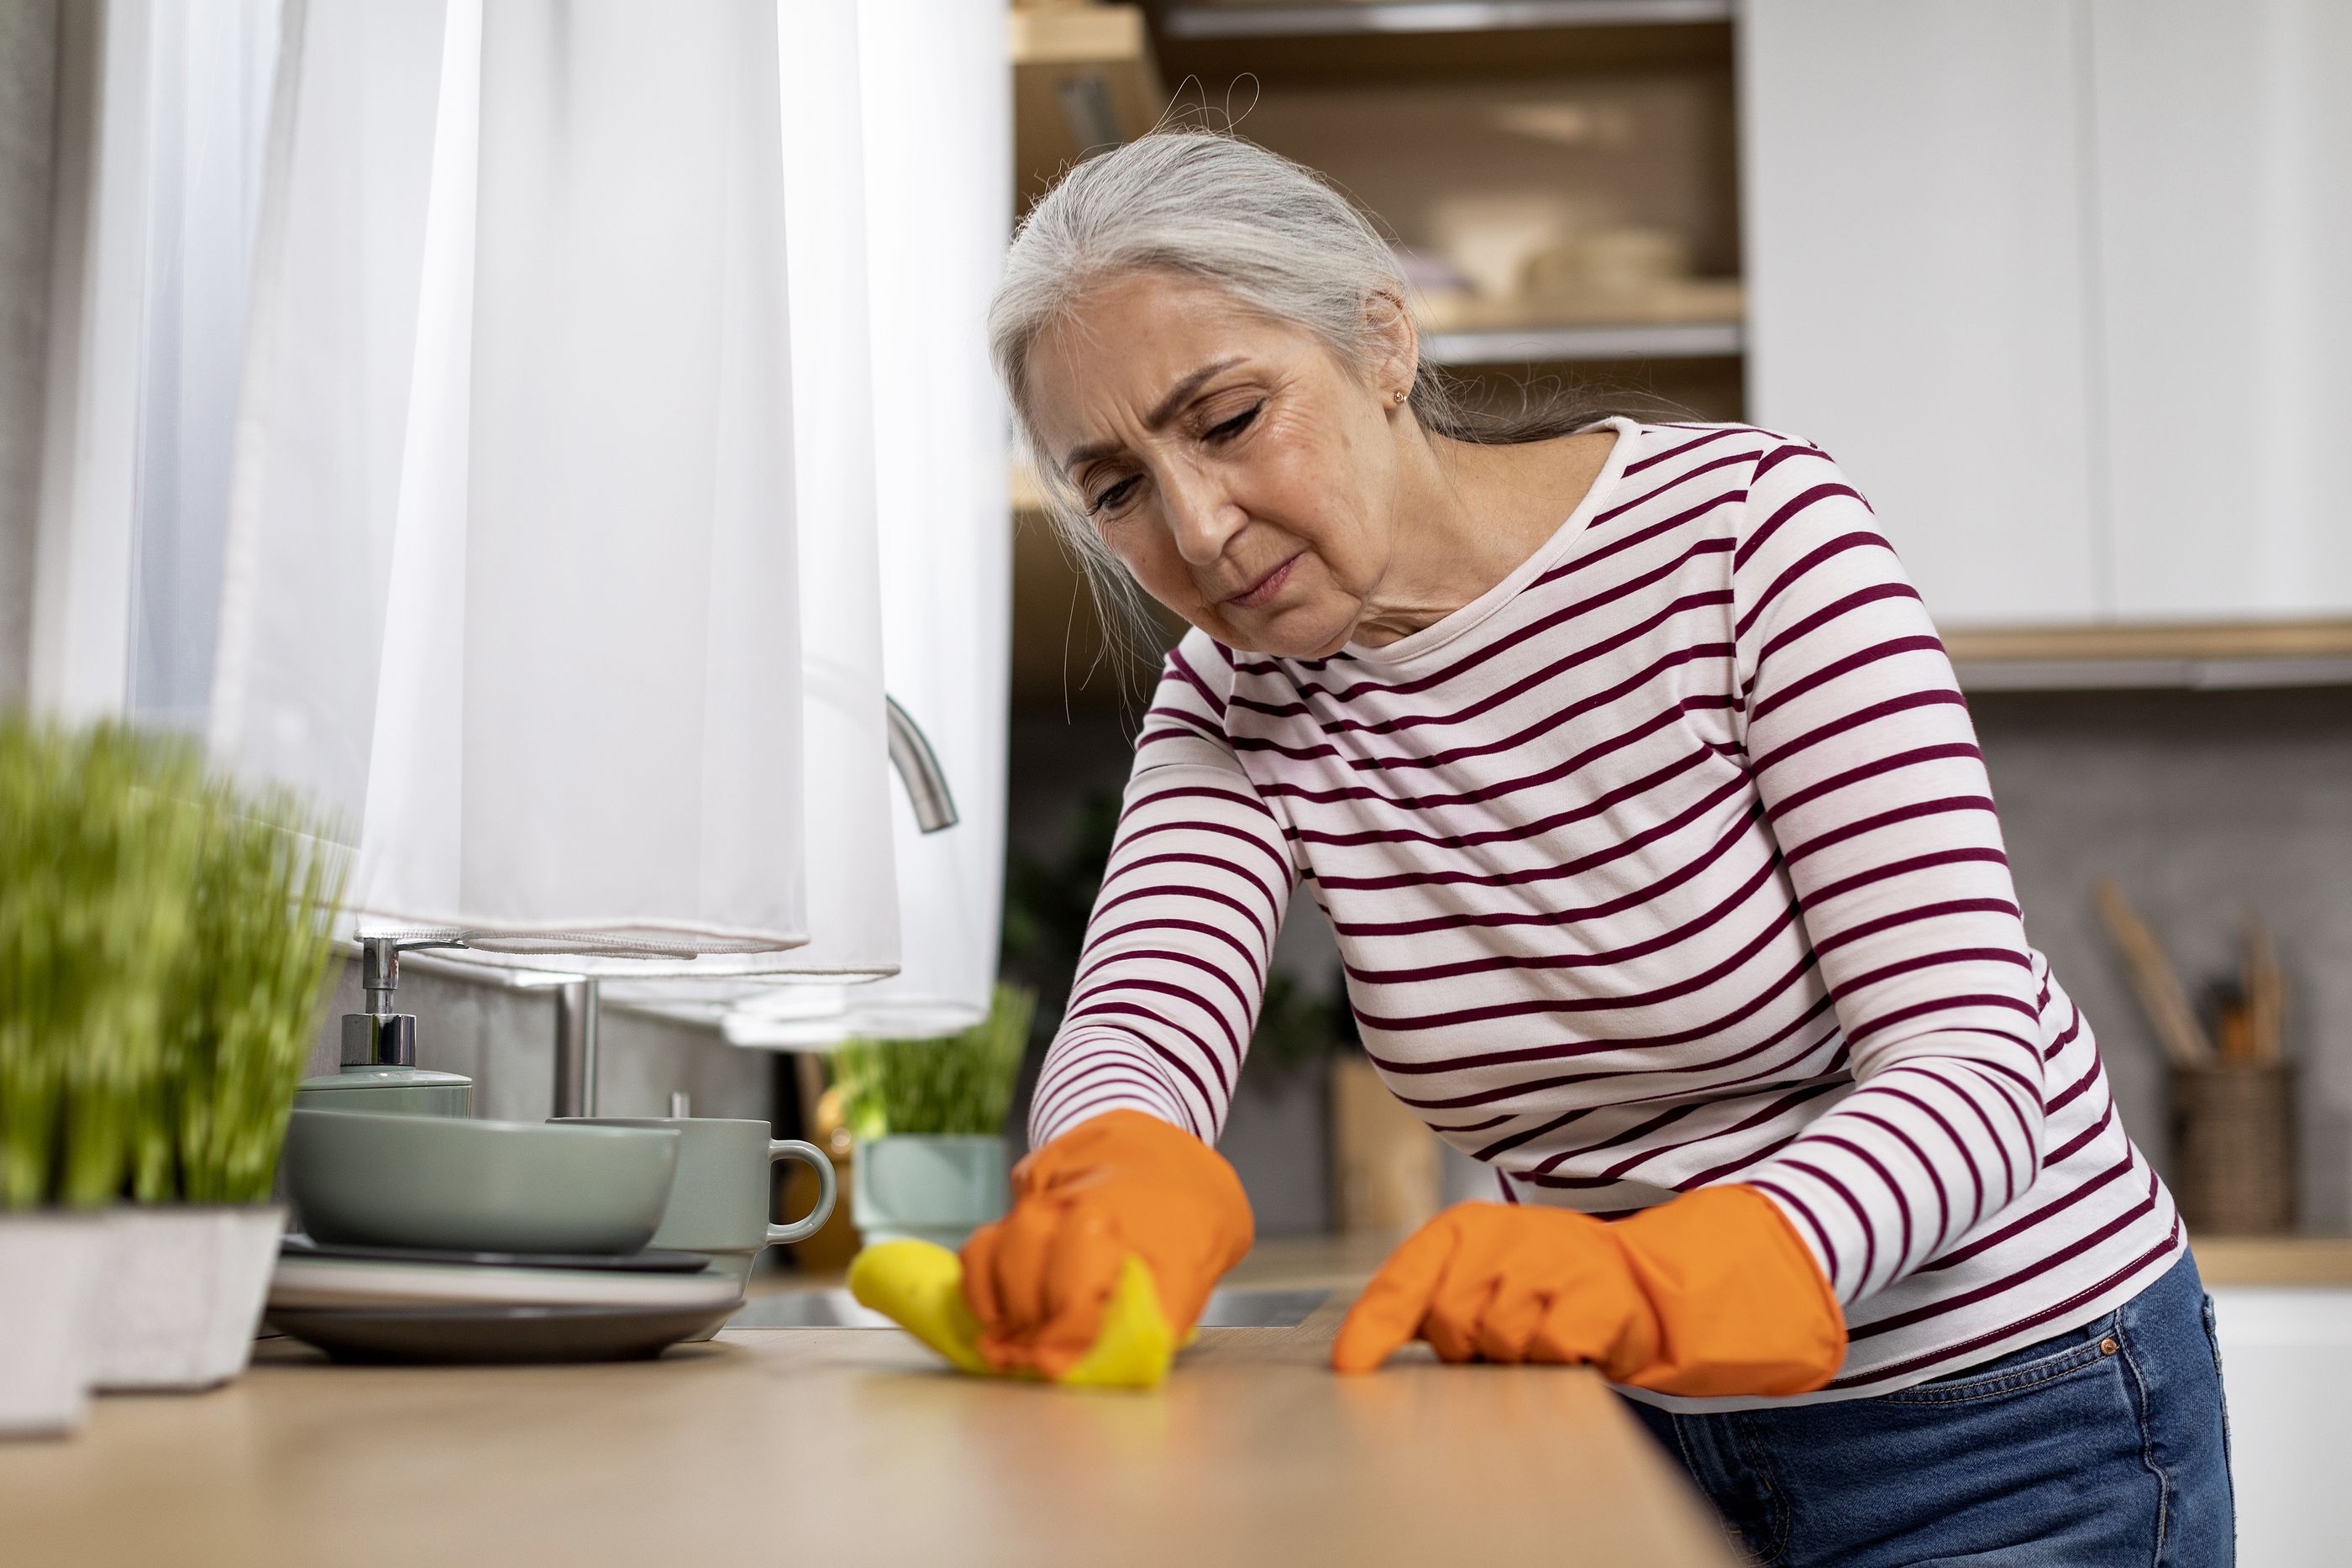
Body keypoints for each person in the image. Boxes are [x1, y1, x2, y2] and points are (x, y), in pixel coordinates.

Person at [962, 129, 2232, 1566]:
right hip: (1609, 1428)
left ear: (1382, 338)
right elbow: (1140, 1017)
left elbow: (1975, 1059)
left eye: (1231, 418)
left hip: (2004, 1412)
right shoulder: (1235, 694)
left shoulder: (1757, 539)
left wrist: (1707, 1262)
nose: (1195, 523)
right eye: (1116, 487)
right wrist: (1110, 1164)